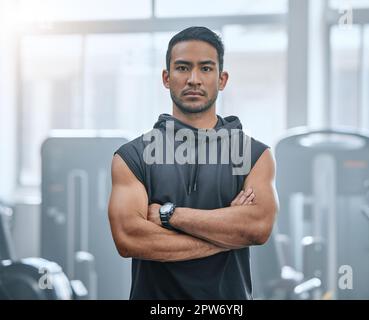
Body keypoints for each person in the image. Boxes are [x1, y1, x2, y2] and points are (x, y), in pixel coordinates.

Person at [108, 26, 279, 300]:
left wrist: (169, 215)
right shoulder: (132, 156)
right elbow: (129, 239)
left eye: (206, 69)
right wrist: (228, 238)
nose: (194, 79)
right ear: (166, 77)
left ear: (222, 79)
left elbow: (257, 228)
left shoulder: (254, 155)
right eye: (183, 68)